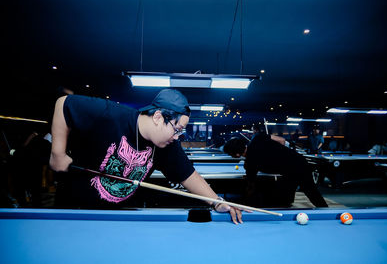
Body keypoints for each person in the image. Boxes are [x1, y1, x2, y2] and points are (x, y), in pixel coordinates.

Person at [49, 89, 244, 224]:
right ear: (159, 117)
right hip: (74, 210)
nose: (177, 137)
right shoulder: (110, 114)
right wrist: (57, 153)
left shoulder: (166, 146)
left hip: (119, 217)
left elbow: (188, 175)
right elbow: (64, 104)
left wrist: (217, 202)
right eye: (176, 129)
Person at [223, 132, 328, 208]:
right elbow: (282, 140)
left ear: (236, 154)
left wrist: (245, 201)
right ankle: (290, 207)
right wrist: (279, 154)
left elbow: (251, 186)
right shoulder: (258, 137)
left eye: (230, 154)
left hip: (296, 168)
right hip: (298, 161)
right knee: (290, 195)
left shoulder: (250, 163)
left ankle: (325, 210)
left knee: (310, 192)